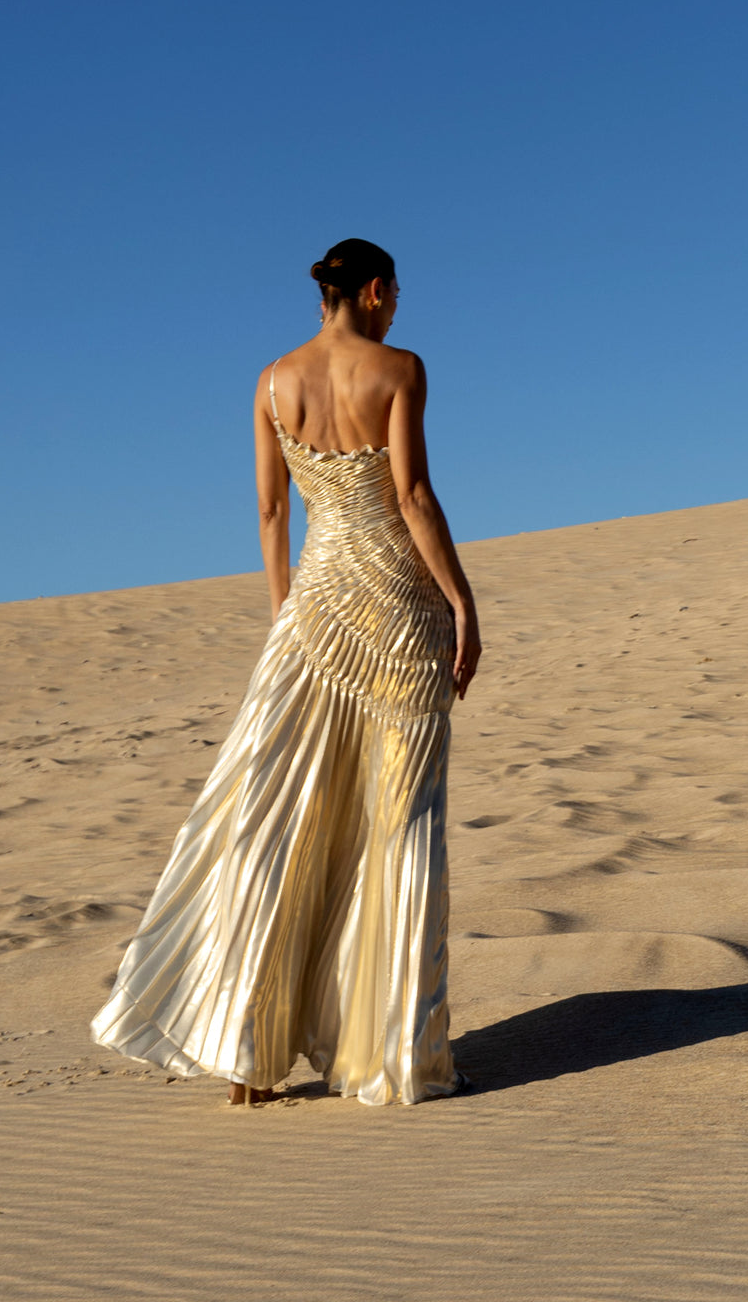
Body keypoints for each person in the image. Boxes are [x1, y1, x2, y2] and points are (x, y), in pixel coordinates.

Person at [91, 238, 481, 1105]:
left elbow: (271, 509)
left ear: (324, 297)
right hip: (397, 615)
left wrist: (284, 611)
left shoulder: (272, 383)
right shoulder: (401, 369)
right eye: (395, 294)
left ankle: (248, 1047)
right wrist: (462, 601)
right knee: (398, 825)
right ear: (376, 291)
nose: (395, 308)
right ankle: (393, 1058)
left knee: (281, 815)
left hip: (313, 612)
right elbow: (412, 498)